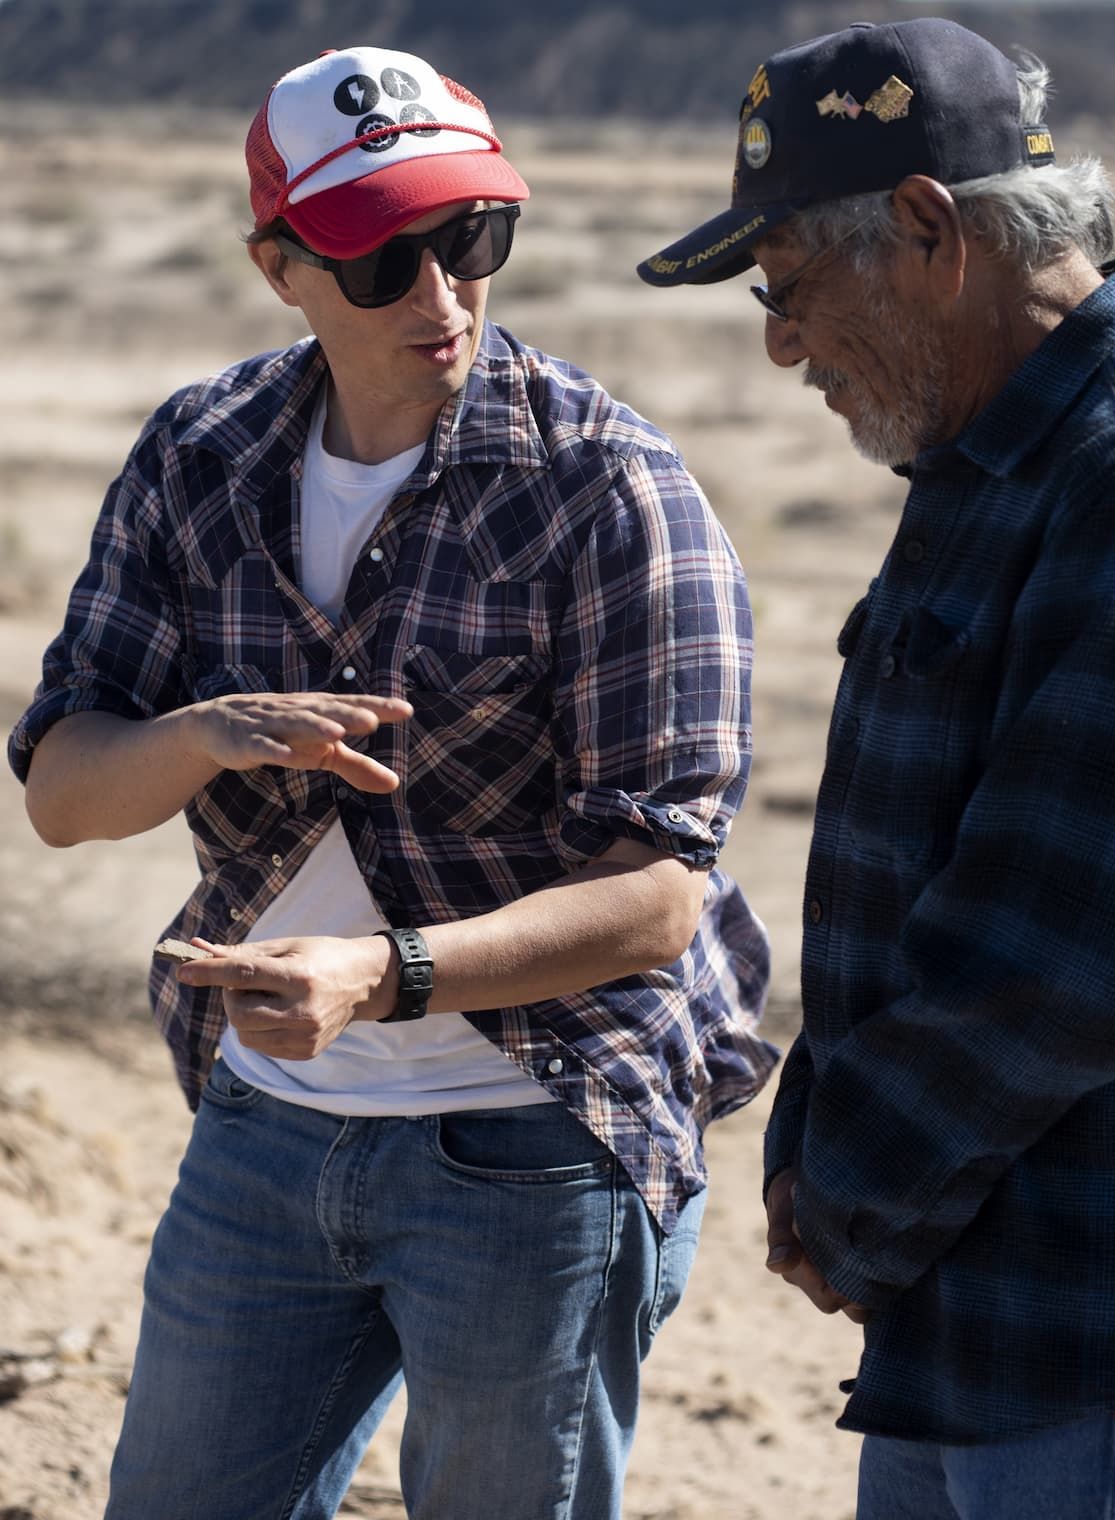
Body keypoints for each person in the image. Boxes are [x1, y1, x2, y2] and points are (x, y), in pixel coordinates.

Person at [8, 43, 776, 1520]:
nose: (442, 294)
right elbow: (63, 793)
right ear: (280, 266)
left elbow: (660, 897)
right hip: (264, 1131)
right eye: (383, 260)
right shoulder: (198, 453)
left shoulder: (611, 488)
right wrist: (205, 734)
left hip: (536, 1137)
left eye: (473, 238)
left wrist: (384, 974)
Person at [638, 16, 1115, 1520]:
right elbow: (919, 876)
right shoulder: (995, 449)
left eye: (792, 287)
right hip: (972, 1315)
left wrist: (851, 1190)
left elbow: (1068, 957)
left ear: (928, 229)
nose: (781, 340)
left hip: (1099, 1346)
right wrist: (823, 1147)